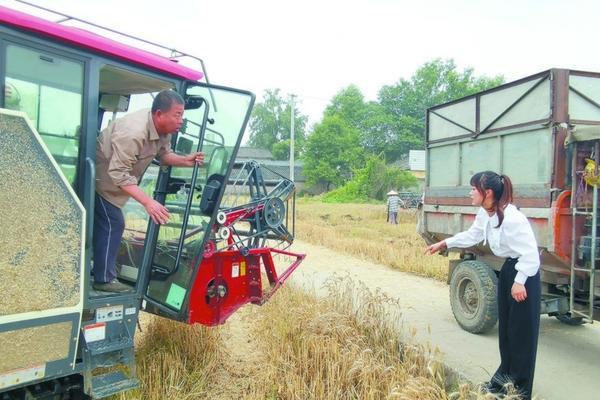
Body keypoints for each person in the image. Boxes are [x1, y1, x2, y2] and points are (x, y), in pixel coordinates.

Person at [425, 171, 540, 400]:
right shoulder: (485, 214)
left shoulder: (512, 217)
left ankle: (520, 389)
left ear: (487, 193)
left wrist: (519, 282)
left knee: (522, 335)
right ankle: (503, 380)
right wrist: (444, 243)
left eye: (473, 188)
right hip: (509, 270)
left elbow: (531, 255)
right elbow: (471, 236)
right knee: (507, 332)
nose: (470, 193)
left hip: (525, 275)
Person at [93, 89, 204, 293]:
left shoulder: (163, 131)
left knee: (107, 225)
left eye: (183, 115)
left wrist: (184, 160)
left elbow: (164, 155)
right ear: (160, 114)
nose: (181, 120)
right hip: (100, 181)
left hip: (115, 183)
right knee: (114, 223)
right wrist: (148, 202)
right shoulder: (133, 132)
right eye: (177, 114)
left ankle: (99, 271)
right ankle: (103, 279)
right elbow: (118, 174)